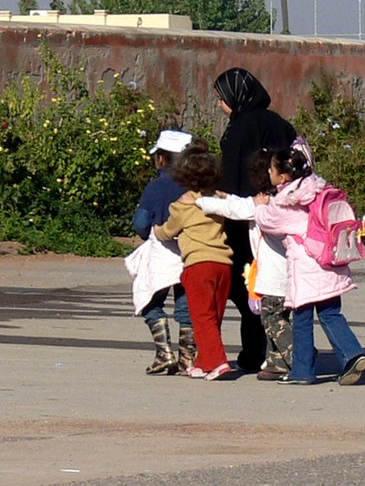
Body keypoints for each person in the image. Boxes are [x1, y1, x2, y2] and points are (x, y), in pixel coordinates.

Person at [253, 146, 365, 385]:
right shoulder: (318, 188)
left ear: (283, 176)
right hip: (330, 260)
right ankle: (353, 353)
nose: (269, 171)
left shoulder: (286, 202)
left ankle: (303, 371)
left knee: (303, 319)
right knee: (330, 314)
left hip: (307, 265)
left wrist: (260, 205)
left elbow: (267, 222)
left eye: (272, 168)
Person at [213, 67, 297, 372]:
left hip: (246, 217)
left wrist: (226, 203)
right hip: (284, 212)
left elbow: (231, 176)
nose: (221, 105)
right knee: (276, 285)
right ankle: (276, 348)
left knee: (247, 284)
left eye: (222, 99)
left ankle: (255, 351)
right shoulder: (280, 124)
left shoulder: (240, 129)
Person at [196, 148, 293, 381]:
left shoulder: (263, 205)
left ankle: (298, 356)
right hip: (291, 271)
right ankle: (275, 362)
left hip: (274, 275)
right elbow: (239, 204)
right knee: (281, 317)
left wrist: (200, 200)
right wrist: (226, 197)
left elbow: (234, 209)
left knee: (272, 320)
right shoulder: (284, 199)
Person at [153, 140, 234, 381]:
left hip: (199, 265)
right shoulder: (218, 201)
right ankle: (203, 361)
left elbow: (168, 231)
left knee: (201, 316)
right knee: (214, 315)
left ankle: (218, 361)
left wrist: (157, 231)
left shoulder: (182, 206)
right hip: (224, 264)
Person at [125, 129, 195, 375]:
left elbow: (141, 223)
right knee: (187, 308)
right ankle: (187, 359)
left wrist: (146, 234)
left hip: (162, 253)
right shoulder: (197, 185)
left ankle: (163, 352)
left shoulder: (155, 187)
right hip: (191, 252)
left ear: (162, 159)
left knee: (150, 300)